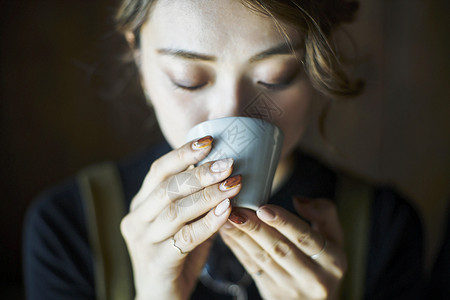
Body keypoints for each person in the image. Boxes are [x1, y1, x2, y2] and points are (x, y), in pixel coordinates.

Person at [23, 0, 425, 299]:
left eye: (276, 76)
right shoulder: (69, 226)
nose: (233, 114)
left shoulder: (383, 227)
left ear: (319, 66)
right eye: (189, 79)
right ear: (139, 60)